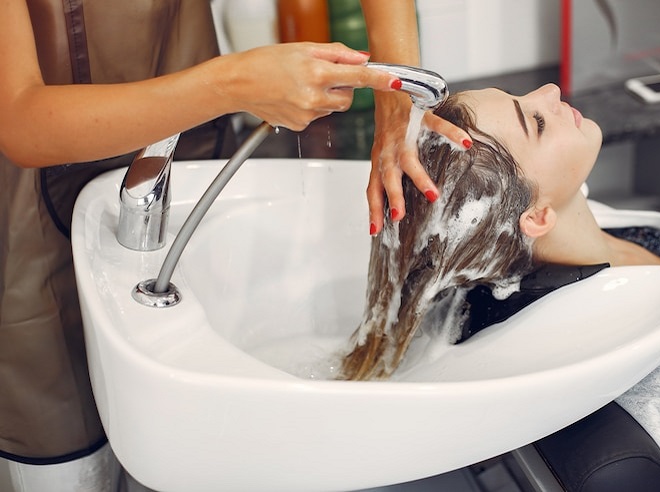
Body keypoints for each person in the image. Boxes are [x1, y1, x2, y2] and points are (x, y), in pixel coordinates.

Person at [0, 1, 469, 490]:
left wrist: (398, 110)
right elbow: (18, 119)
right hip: (39, 211)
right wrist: (231, 84)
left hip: (192, 168)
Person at [340, 83, 660, 491]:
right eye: (538, 123)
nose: (550, 90)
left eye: (524, 98)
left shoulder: (526, 248)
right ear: (536, 217)